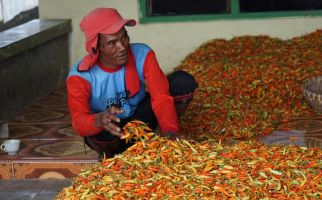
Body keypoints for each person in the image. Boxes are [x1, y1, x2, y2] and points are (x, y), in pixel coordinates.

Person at [66, 7, 198, 158]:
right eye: (111, 43)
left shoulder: (142, 54)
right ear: (96, 48)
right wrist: (97, 120)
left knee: (182, 82)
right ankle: (113, 156)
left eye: (124, 37)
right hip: (112, 130)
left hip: (140, 119)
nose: (122, 47)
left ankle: (161, 138)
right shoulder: (80, 77)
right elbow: (78, 122)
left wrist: (170, 131)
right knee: (103, 128)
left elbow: (161, 97)